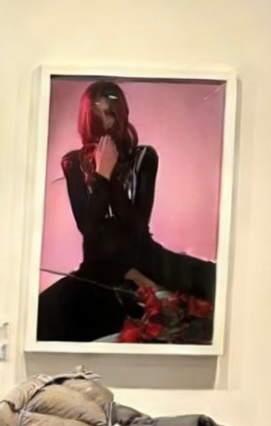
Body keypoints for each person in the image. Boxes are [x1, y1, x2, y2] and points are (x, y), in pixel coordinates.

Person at [36, 79, 215, 343]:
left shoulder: (144, 157)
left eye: (111, 113)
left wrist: (110, 177)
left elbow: (137, 225)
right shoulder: (73, 162)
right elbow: (89, 227)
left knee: (215, 280)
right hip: (98, 267)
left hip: (145, 256)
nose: (105, 122)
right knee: (43, 316)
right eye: (98, 115)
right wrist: (101, 174)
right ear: (87, 119)